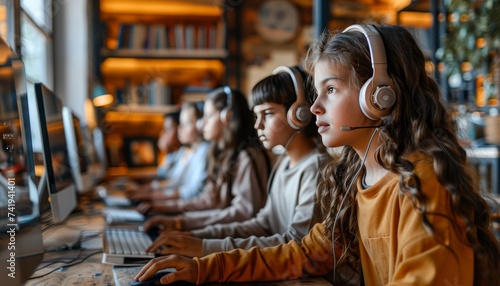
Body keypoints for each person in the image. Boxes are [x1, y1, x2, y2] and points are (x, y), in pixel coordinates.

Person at [133, 24, 500, 285]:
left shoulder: (422, 183)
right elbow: (303, 253)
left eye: (330, 90)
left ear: (379, 95)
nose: (315, 108)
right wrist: (205, 268)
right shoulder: (356, 178)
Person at [143, 66, 331, 258]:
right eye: (257, 116)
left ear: (300, 114)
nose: (258, 125)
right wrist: (194, 237)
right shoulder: (284, 163)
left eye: (267, 114)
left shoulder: (315, 169)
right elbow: (262, 224)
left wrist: (203, 245)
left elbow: (296, 244)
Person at [136, 86, 271, 231]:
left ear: (227, 116)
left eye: (208, 116)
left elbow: (243, 214)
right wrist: (168, 213)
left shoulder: (246, 157)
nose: (201, 124)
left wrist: (180, 222)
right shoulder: (222, 154)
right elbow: (208, 201)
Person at [128, 102, 209, 201]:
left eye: (186, 123)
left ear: (200, 124)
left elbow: (186, 190)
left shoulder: (203, 151)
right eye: (180, 123)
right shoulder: (189, 151)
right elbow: (171, 181)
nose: (180, 128)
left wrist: (150, 196)